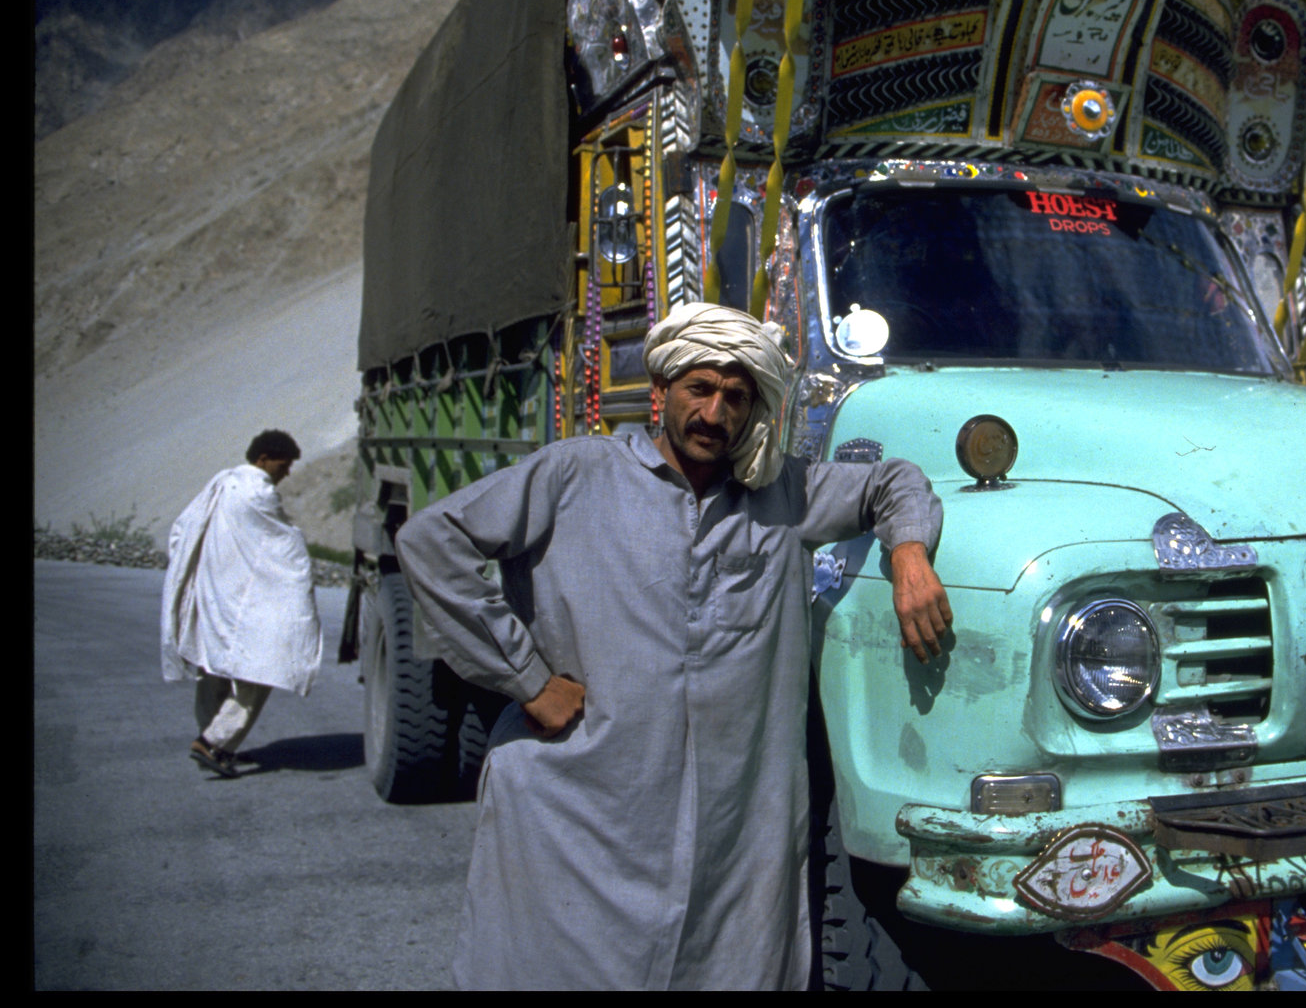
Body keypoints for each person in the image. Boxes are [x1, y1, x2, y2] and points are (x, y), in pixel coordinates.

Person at [395, 302, 950, 991]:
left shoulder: (780, 491)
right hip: (582, 801)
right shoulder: (577, 473)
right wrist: (527, 678)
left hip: (727, 817)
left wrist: (909, 555)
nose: (714, 413)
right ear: (663, 391)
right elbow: (430, 541)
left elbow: (894, 481)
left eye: (736, 397)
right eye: (700, 389)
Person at [160, 429, 323, 779]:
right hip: (248, 603)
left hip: (215, 598)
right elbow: (281, 546)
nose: (287, 472)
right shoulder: (258, 492)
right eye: (284, 464)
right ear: (263, 459)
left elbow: (182, 530)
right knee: (260, 670)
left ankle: (212, 738)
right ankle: (214, 741)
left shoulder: (221, 483)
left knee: (214, 669)